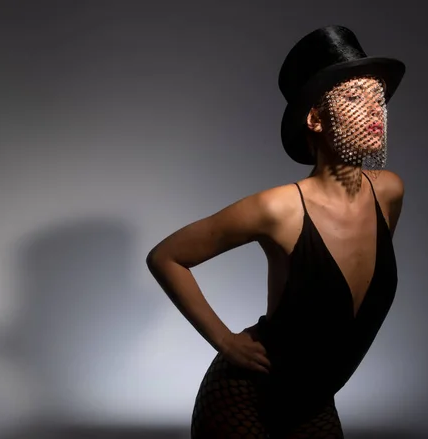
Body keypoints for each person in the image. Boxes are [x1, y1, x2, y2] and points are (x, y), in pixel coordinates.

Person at [147, 25, 406, 439]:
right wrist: (225, 342)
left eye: (378, 96)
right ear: (315, 119)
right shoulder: (279, 208)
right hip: (245, 398)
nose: (375, 109)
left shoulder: (389, 193)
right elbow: (166, 256)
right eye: (355, 97)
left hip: (314, 404)